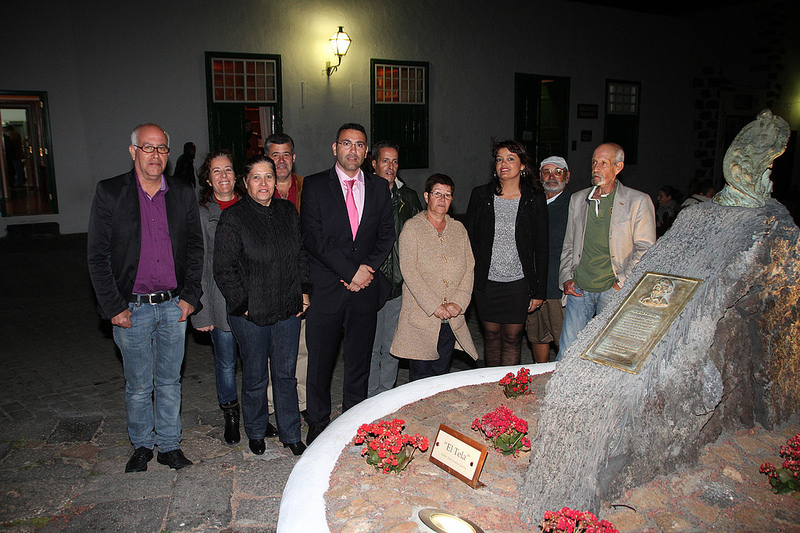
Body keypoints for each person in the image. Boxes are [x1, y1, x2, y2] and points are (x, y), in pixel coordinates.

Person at [88, 123, 202, 472]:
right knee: (138, 386)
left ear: (168, 153)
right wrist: (113, 307)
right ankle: (141, 445)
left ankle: (169, 445)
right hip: (132, 308)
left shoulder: (182, 192)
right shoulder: (111, 192)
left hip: (172, 306)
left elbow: (195, 248)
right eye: (148, 147)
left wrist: (189, 297)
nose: (155, 155)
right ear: (133, 151)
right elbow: (97, 255)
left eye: (162, 148)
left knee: (169, 381)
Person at [301, 123, 394, 445]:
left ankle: (354, 423)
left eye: (359, 145)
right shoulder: (314, 185)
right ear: (335, 148)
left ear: (366, 152)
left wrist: (366, 271)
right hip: (327, 288)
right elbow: (313, 238)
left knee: (359, 362)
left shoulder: (379, 187)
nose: (352, 150)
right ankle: (317, 422)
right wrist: (350, 271)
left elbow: (386, 234)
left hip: (364, 289)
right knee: (320, 363)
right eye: (346, 143)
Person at [214, 155, 309, 457]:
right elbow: (223, 268)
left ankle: (291, 433)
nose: (264, 183)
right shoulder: (234, 218)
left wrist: (304, 292)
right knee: (255, 376)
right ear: (245, 182)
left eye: (268, 176)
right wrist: (243, 305)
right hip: (251, 314)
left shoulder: (287, 211)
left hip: (287, 309)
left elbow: (301, 254)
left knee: (286, 375)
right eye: (256, 177)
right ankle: (255, 431)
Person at [192, 150, 271, 446]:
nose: (223, 176)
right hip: (219, 301)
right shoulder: (202, 213)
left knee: (256, 362)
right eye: (216, 171)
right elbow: (199, 264)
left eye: (227, 170)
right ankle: (231, 415)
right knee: (226, 363)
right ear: (208, 179)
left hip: (254, 300)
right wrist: (201, 312)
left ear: (236, 176)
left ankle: (257, 416)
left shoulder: (250, 204)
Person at [558, 143, 656, 356]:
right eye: (594, 162)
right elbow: (569, 244)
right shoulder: (578, 199)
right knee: (567, 353)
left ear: (618, 167)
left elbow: (645, 248)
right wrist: (566, 277)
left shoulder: (637, 201)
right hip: (579, 287)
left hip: (613, 288)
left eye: (603, 163)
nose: (596, 168)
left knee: (611, 353)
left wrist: (622, 281)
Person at [466, 140, 548, 367]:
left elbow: (542, 247)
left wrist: (538, 291)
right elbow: (469, 241)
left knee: (513, 339)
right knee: (491, 337)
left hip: (518, 283)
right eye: (499, 159)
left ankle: (509, 385)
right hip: (487, 282)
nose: (504, 164)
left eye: (511, 159)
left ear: (522, 165)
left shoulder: (534, 198)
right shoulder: (481, 196)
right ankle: (494, 384)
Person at [391, 174, 478, 379]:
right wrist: (434, 305)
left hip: (450, 318)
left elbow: (469, 267)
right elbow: (409, 270)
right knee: (420, 377)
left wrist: (459, 302)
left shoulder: (459, 229)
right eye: (437, 193)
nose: (442, 199)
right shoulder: (412, 228)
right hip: (422, 317)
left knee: (441, 373)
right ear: (426, 196)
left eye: (447, 195)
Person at [368, 141, 423, 397]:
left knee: (392, 345)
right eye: (385, 161)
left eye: (395, 161)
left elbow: (420, 236)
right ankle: (368, 398)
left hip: (399, 284)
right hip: (369, 282)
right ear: (374, 164)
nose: (390, 166)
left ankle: (385, 396)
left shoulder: (408, 197)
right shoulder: (363, 193)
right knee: (370, 345)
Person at [265, 133, 309, 422]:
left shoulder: (309, 187)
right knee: (270, 349)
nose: (281, 160)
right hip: (267, 283)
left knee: (302, 346)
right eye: (275, 155)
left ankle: (301, 402)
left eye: (286, 154)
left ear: (293, 157)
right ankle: (271, 405)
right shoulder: (258, 188)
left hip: (301, 281)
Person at [526, 156, 571, 363]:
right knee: (537, 335)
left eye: (558, 172)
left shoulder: (574, 205)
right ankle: (540, 373)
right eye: (547, 172)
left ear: (567, 177)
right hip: (534, 286)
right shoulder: (531, 202)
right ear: (540, 176)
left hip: (558, 286)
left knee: (564, 339)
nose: (552, 177)